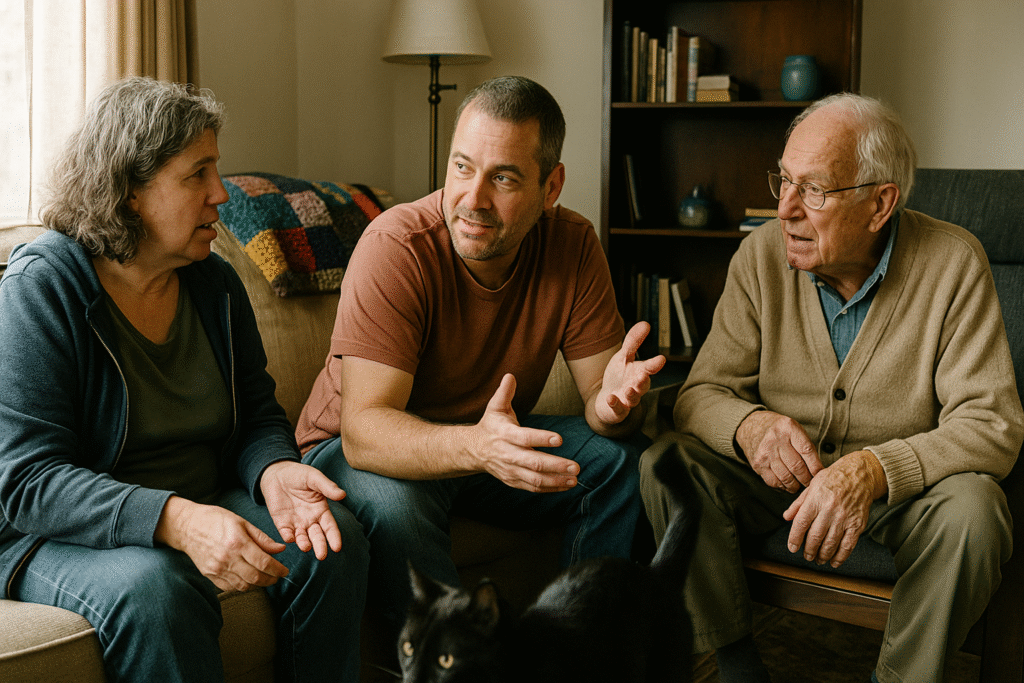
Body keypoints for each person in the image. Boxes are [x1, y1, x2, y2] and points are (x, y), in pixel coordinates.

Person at [640, 93, 1023, 683]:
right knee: (667, 462)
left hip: (902, 498)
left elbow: (991, 425)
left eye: (813, 190)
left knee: (976, 512)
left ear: (880, 203)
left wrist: (872, 470)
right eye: (784, 182)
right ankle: (738, 667)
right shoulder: (759, 257)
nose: (786, 209)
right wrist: (749, 427)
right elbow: (699, 394)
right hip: (779, 484)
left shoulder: (953, 263)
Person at [0, 77, 369, 683]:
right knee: (157, 590)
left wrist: (273, 470)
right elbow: (27, 481)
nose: (220, 195)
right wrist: (177, 519)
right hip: (55, 533)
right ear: (130, 192)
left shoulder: (215, 284)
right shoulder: (44, 287)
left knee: (331, 543)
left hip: (198, 494)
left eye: (215, 171)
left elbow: (256, 415)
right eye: (197, 174)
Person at [296, 75, 665, 638]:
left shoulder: (572, 244)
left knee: (626, 466)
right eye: (462, 167)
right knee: (398, 509)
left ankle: (574, 657)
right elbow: (364, 430)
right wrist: (479, 446)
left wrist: (614, 407)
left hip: (478, 443)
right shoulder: (397, 247)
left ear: (551, 186)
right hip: (356, 451)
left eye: (504, 178)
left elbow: (602, 406)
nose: (472, 199)